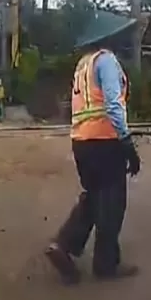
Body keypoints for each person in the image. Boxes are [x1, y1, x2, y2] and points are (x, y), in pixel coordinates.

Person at [45, 41, 141, 284]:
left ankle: (62, 244)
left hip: (82, 142)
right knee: (112, 202)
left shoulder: (83, 65)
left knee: (95, 196)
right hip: (104, 140)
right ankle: (105, 265)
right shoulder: (107, 61)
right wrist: (127, 142)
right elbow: (112, 104)